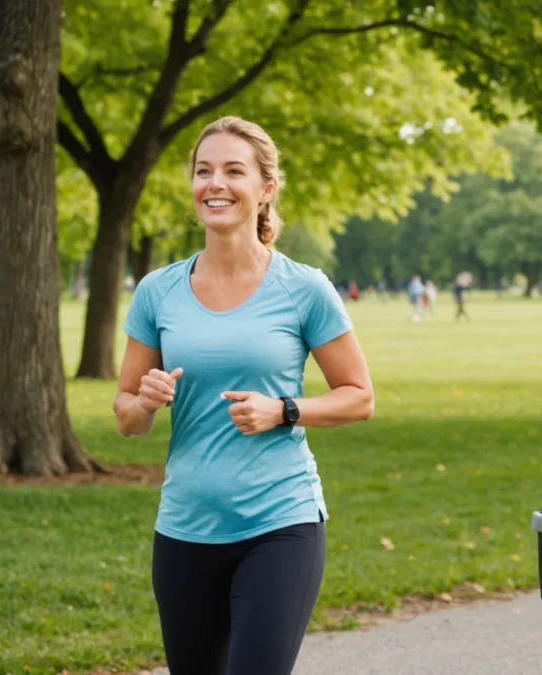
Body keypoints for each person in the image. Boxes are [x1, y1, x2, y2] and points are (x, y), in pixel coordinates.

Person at [113, 116, 374, 675]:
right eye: (204, 171)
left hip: (280, 523)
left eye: (234, 171)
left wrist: (284, 410)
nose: (216, 184)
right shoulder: (157, 291)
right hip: (184, 527)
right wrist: (145, 400)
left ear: (265, 189)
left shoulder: (304, 288)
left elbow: (359, 396)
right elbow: (126, 417)